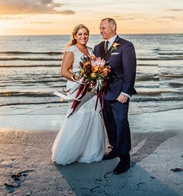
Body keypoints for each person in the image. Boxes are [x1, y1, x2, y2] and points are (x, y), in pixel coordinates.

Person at [51, 24, 106, 165]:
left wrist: (96, 78)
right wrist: (80, 80)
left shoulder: (91, 50)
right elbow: (64, 71)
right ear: (75, 36)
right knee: (77, 116)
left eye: (86, 34)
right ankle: (70, 152)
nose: (83, 37)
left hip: (92, 90)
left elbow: (95, 69)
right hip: (78, 88)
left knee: (93, 115)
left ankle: (90, 151)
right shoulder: (71, 50)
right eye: (80, 34)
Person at [94, 18, 137, 175]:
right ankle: (114, 149)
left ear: (113, 27)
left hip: (119, 95)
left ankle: (125, 159)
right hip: (103, 94)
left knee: (121, 124)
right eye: (100, 28)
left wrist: (125, 92)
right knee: (109, 124)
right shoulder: (97, 48)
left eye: (104, 28)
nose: (101, 31)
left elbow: (129, 71)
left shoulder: (126, 46)